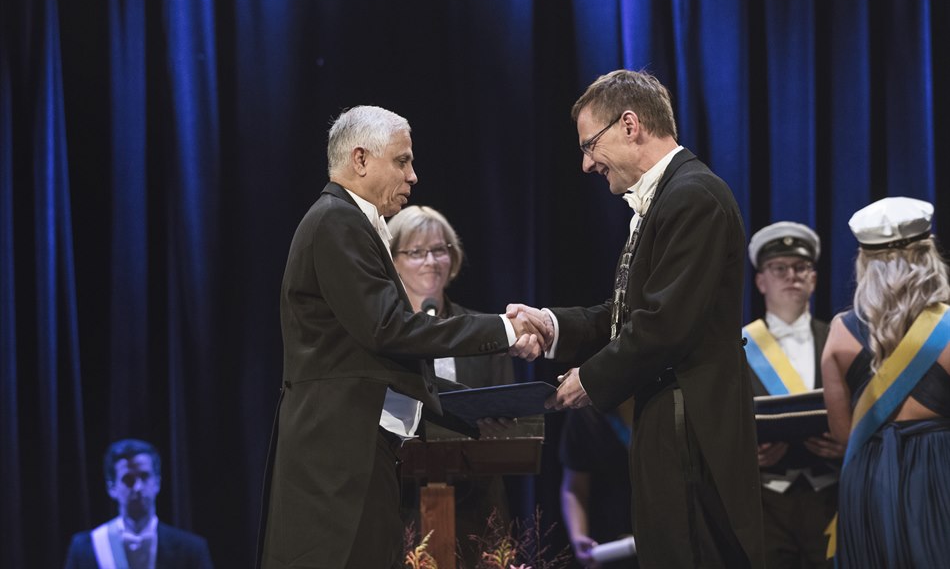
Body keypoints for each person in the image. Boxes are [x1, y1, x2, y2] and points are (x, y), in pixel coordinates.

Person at [258, 105, 544, 569]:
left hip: (354, 456)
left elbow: (370, 360)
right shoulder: (337, 220)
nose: (413, 175)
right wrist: (506, 328)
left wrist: (473, 410)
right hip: (337, 462)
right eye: (402, 161)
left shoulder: (348, 221)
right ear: (360, 159)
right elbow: (389, 330)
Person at [508, 69, 764, 568]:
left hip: (692, 426)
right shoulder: (668, 196)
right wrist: (553, 326)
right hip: (668, 417)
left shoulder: (694, 195)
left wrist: (589, 379)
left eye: (590, 145)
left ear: (630, 125)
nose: (586, 164)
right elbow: (627, 313)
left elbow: (664, 325)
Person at [821, 196, 950, 568]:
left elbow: (843, 434)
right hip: (940, 471)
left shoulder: (839, 333)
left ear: (865, 261)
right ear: (929, 256)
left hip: (868, 477)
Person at [387, 204, 516, 567]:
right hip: (403, 508)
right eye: (416, 252)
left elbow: (508, 415)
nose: (430, 261)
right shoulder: (383, 338)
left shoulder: (485, 331)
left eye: (439, 250)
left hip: (479, 508)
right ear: (393, 261)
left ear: (453, 257)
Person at [743, 222, 843, 569]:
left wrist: (847, 444)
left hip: (831, 497)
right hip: (764, 502)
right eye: (779, 268)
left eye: (801, 267)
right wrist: (746, 455)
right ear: (761, 281)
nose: (792, 276)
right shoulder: (736, 348)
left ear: (813, 279)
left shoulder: (840, 339)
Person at [63, 438, 213, 569]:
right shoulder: (85, 548)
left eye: (145, 476)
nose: (138, 487)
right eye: (128, 479)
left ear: (157, 482)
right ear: (112, 488)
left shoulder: (191, 550)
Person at [559, 398, 637, 569]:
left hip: (666, 533)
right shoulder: (585, 412)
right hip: (613, 541)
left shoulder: (662, 400)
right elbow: (574, 488)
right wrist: (579, 535)